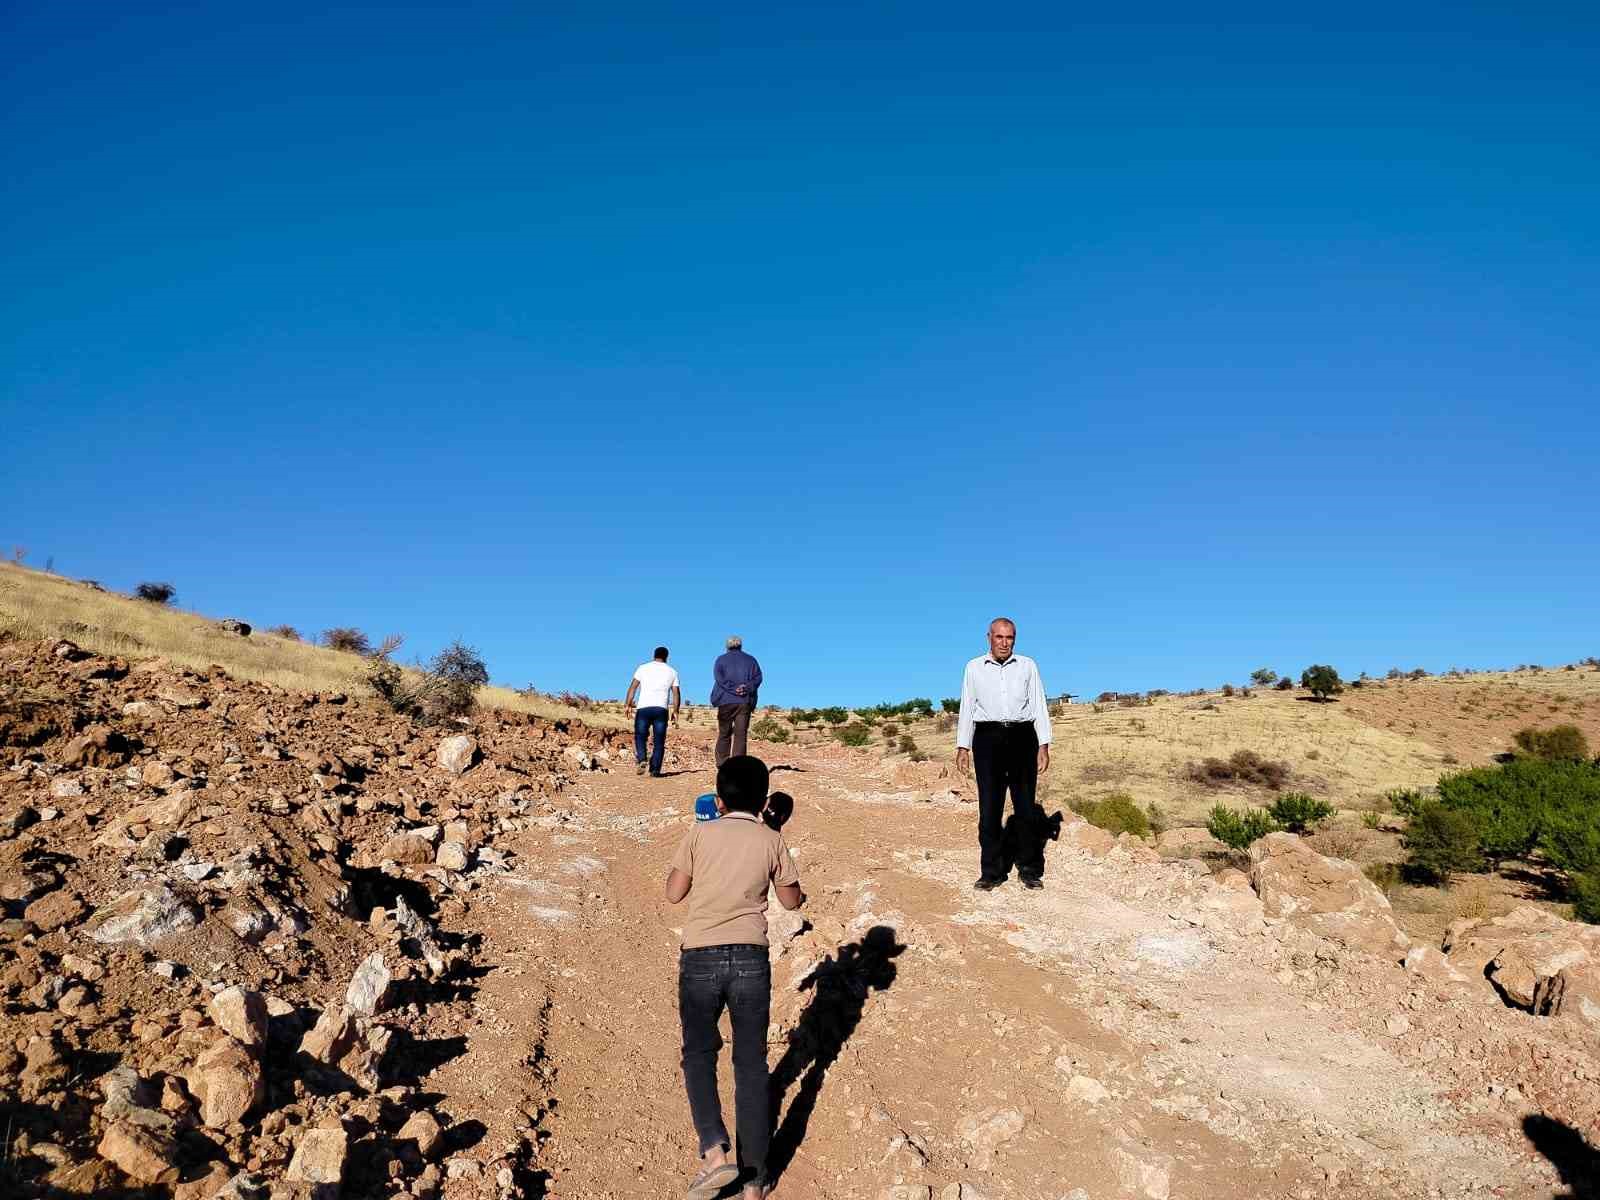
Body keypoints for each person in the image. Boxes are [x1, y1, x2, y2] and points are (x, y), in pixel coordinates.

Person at [665, 755, 803, 1200]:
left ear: (719, 799)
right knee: (750, 1065)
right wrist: (774, 835)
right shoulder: (770, 839)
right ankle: (757, 1180)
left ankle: (714, 1153)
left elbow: (673, 892)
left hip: (701, 956)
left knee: (699, 1054)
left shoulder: (699, 832)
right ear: (764, 800)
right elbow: (791, 902)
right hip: (751, 959)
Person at [955, 617, 1053, 891]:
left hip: (1023, 738)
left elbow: (1039, 705)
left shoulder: (1027, 666)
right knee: (989, 808)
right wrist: (963, 746)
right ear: (989, 637)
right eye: (999, 637)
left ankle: (1030, 869)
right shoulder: (973, 668)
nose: (1004, 643)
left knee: (1024, 808)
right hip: (988, 739)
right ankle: (991, 872)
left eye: (1009, 638)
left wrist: (1044, 744)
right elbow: (967, 708)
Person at [625, 646, 682, 778]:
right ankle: (655, 770)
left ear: (654, 655)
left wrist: (627, 704)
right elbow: (676, 693)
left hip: (643, 708)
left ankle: (642, 759)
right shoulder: (672, 671)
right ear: (667, 657)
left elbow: (633, 687)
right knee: (659, 741)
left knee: (640, 736)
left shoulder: (643, 668)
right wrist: (676, 711)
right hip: (661, 709)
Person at [711, 636, 763, 767]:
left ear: (727, 646)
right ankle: (737, 766)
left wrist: (733, 688)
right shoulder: (751, 660)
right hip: (744, 701)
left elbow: (719, 679)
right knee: (741, 735)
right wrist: (746, 688)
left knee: (724, 733)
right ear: (741, 646)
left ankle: (722, 764)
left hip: (725, 700)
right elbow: (758, 678)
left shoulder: (721, 660)